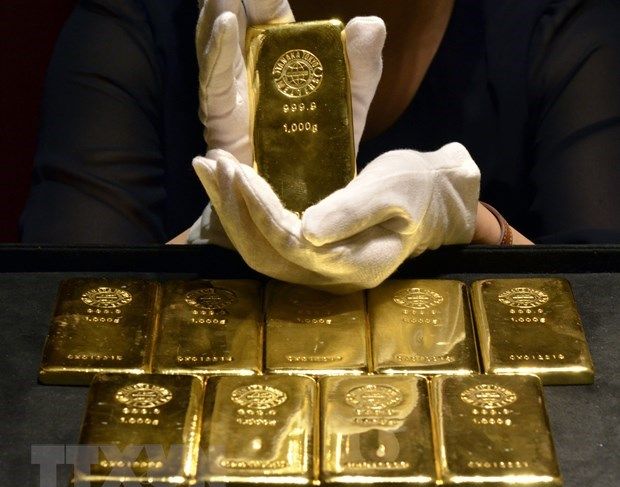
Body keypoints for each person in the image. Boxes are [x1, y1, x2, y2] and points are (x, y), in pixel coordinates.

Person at [19, 0, 620, 288]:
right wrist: (207, 238)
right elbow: (51, 323)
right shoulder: (131, 26)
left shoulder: (562, 28)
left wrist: (475, 224)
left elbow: (604, 325)